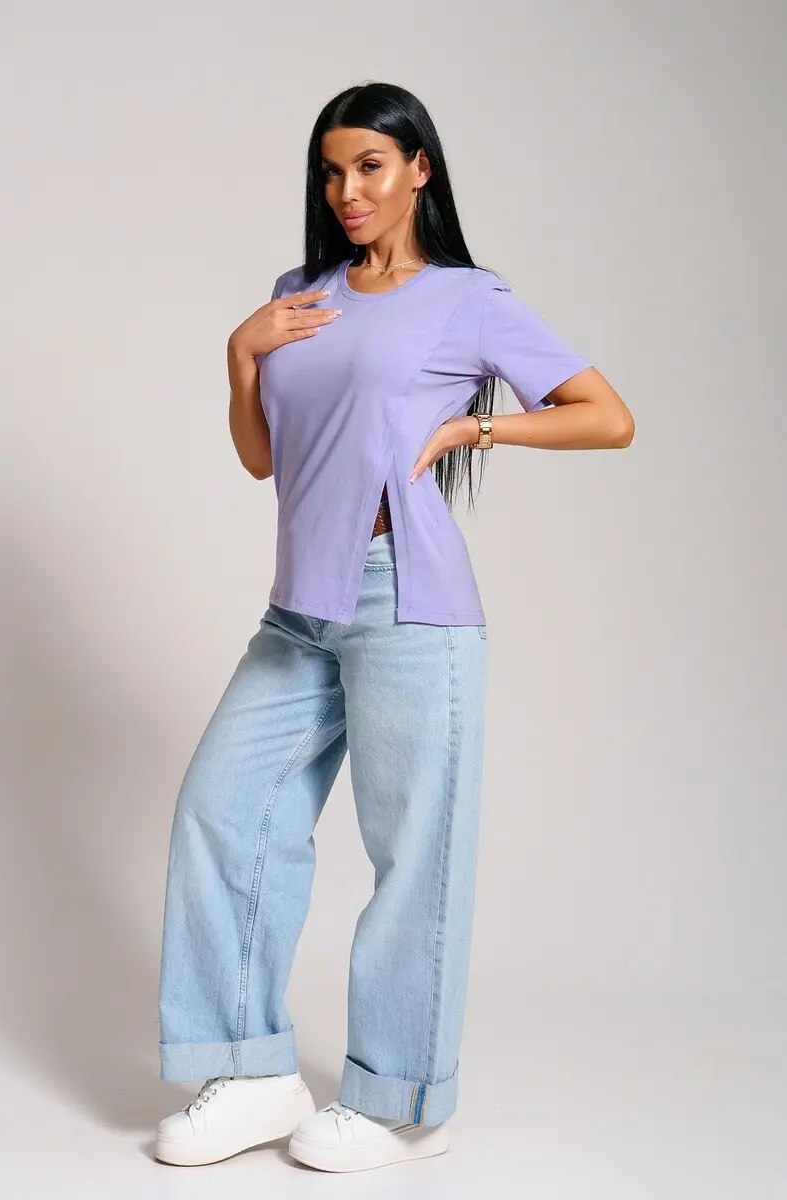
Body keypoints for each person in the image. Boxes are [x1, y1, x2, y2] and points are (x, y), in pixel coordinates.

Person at [153, 81, 634, 1174]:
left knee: (413, 852)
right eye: (331, 171)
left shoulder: (467, 299)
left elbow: (607, 416)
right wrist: (239, 355)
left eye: (369, 164)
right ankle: (254, 1072)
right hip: (298, 608)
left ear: (419, 167)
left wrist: (474, 428)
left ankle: (402, 1103)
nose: (347, 189)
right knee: (224, 811)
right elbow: (262, 459)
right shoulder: (300, 295)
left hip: (404, 599)